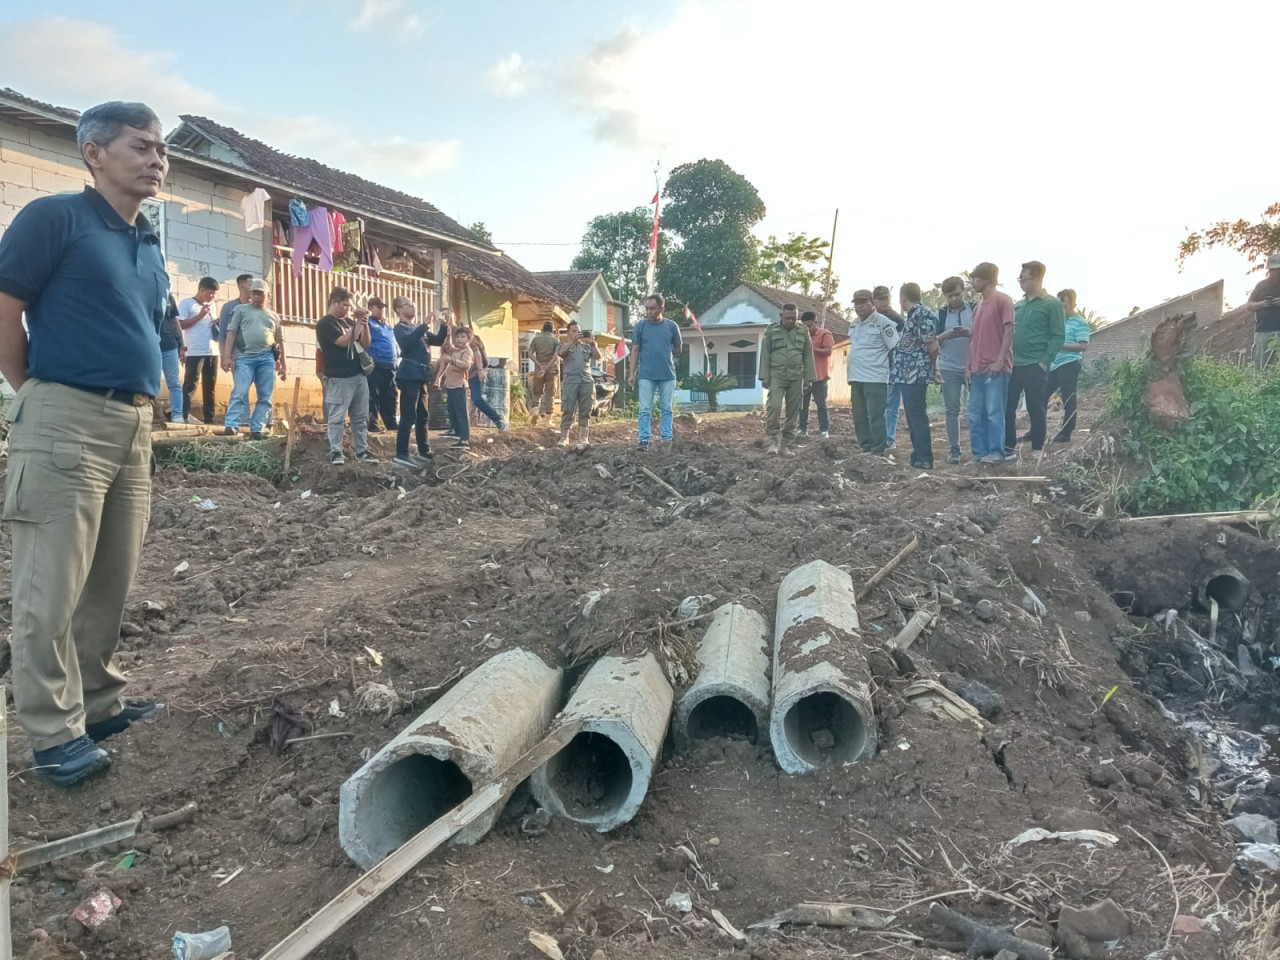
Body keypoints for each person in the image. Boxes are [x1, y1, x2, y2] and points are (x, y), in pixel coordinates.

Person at [0, 100, 169, 786]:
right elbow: (4, 309)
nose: (157, 158)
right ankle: (51, 733)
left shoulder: (148, 239)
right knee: (50, 585)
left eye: (162, 149)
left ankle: (98, 706)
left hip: (131, 427)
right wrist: (34, 391)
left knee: (110, 578)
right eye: (141, 145)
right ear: (94, 152)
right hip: (63, 418)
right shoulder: (55, 219)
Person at [1006, 261, 1065, 459]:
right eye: (1019, 277)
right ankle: (1008, 447)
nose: (1021, 281)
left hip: (1035, 364)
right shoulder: (1018, 305)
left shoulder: (1051, 304)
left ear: (1038, 278)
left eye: (1025, 277)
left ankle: (1038, 448)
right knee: (1008, 406)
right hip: (1014, 364)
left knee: (1035, 406)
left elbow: (1058, 335)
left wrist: (1045, 361)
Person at [316, 287, 377, 464]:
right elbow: (343, 342)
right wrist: (358, 322)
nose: (347, 308)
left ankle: (362, 450)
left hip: (359, 375)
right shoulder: (326, 323)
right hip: (339, 377)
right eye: (344, 304)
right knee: (337, 417)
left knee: (360, 417)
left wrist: (363, 324)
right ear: (334, 302)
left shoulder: (350, 322)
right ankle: (336, 451)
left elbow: (365, 344)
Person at [220, 279, 286, 439]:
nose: (256, 296)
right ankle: (231, 425)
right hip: (244, 357)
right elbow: (231, 333)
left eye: (260, 293)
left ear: (268, 296)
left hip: (266, 358)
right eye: (254, 293)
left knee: (265, 395)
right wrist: (226, 357)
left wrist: (283, 364)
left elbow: (280, 341)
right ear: (250, 294)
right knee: (240, 391)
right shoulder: (240, 310)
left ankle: (257, 429)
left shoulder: (273, 316)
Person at [965, 262, 1016, 464]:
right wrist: (968, 366)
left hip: (995, 369)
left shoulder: (1003, 301)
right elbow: (974, 339)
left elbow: (1009, 330)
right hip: (977, 369)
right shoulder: (977, 307)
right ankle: (979, 454)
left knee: (994, 412)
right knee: (975, 415)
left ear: (986, 279)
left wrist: (1000, 360)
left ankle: (996, 452)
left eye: (976, 278)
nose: (973, 282)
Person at [391, 297, 447, 467]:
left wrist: (445, 324)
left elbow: (437, 340)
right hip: (409, 375)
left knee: (423, 415)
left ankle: (424, 450)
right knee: (409, 415)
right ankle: (402, 452)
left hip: (421, 376)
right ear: (399, 310)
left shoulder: (417, 329)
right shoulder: (400, 328)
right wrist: (425, 324)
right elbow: (407, 343)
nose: (414, 308)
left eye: (414, 305)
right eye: (410, 305)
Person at [846, 289, 899, 455]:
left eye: (863, 302)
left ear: (871, 303)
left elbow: (894, 349)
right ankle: (866, 446)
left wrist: (893, 373)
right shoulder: (853, 324)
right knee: (859, 416)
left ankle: (878, 449)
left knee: (876, 415)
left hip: (875, 377)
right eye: (857, 303)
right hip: (855, 377)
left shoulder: (883, 322)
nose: (860, 306)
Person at [759, 303, 815, 456]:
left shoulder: (803, 331)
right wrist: (764, 376)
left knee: (794, 410)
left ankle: (785, 444)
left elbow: (808, 355)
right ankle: (773, 441)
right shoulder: (771, 330)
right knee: (774, 406)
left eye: (793, 318)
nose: (790, 321)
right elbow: (765, 353)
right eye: (787, 318)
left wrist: (809, 378)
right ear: (781, 316)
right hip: (777, 374)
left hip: (796, 375)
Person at [628, 293, 683, 449]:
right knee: (645, 408)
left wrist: (667, 352)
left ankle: (667, 439)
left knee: (666, 408)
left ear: (661, 308)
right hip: (646, 374)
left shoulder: (672, 327)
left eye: (652, 309)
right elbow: (635, 350)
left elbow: (679, 348)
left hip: (667, 374)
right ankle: (644, 440)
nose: (649, 312)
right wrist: (632, 373)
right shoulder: (640, 327)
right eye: (647, 309)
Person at [895, 283, 938, 469]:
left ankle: (925, 457)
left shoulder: (921, 314)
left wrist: (933, 367)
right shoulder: (915, 315)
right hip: (907, 375)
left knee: (917, 415)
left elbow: (933, 345)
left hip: (915, 374)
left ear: (903, 299)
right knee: (912, 415)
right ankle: (918, 454)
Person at [934, 277, 975, 464]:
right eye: (950, 296)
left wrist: (970, 332)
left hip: (972, 366)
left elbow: (984, 333)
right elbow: (933, 342)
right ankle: (954, 449)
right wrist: (947, 334)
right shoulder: (941, 315)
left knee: (976, 408)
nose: (954, 299)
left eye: (957, 294)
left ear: (963, 291)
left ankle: (978, 447)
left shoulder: (975, 309)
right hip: (948, 366)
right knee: (952, 409)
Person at [1046, 289, 1090, 443]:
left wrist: (1061, 345)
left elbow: (1082, 346)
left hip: (1070, 363)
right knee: (1040, 395)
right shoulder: (1056, 322)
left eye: (1064, 306)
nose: (1061, 310)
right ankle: (1035, 430)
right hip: (1054, 364)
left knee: (1068, 397)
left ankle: (1066, 433)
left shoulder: (1080, 323)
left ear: (1073, 304)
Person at [179, 275, 220, 424]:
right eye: (210, 293)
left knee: (210, 387)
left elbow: (212, 324)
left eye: (214, 294)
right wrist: (199, 316)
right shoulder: (186, 303)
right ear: (201, 290)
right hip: (194, 351)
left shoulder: (212, 305)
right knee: (190, 384)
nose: (212, 297)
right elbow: (181, 325)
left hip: (212, 351)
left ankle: (209, 418)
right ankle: (183, 415)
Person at [558, 321, 601, 446]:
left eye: (578, 331)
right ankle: (564, 437)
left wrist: (593, 343)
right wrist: (573, 342)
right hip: (570, 381)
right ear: (568, 333)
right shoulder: (564, 345)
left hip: (586, 381)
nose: (577, 333)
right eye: (574, 331)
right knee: (568, 409)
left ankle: (583, 437)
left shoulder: (587, 346)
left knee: (585, 410)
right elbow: (560, 353)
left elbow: (598, 356)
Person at [875, 285, 905, 449]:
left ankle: (889, 439)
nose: (883, 302)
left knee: (891, 406)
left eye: (885, 298)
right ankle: (876, 437)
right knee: (875, 405)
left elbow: (900, 346)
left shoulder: (898, 320)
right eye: (880, 299)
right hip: (874, 368)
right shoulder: (870, 319)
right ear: (874, 301)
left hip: (893, 368)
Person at [435, 326, 474, 449]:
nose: (459, 339)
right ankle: (457, 434)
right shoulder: (455, 350)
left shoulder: (467, 352)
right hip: (450, 385)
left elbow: (466, 365)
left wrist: (452, 360)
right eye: (457, 337)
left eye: (463, 337)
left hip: (459, 386)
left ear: (469, 338)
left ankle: (464, 440)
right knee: (452, 411)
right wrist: (448, 326)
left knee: (461, 414)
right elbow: (446, 346)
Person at [365, 297, 399, 432]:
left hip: (390, 366)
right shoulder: (368, 323)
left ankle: (391, 423)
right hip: (375, 365)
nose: (381, 310)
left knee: (390, 396)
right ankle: (372, 424)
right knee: (373, 396)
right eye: (378, 307)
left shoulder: (388, 326)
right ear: (371, 308)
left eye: (382, 308)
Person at [798, 310, 833, 438]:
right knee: (802, 405)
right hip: (804, 376)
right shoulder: (800, 335)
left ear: (816, 323)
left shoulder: (825, 334)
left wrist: (811, 349)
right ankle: (802, 429)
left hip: (820, 376)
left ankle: (824, 430)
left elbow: (828, 351)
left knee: (821, 404)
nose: (807, 329)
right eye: (804, 326)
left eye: (810, 326)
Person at [467, 329, 508, 432]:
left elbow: (477, 354)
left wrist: (480, 370)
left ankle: (498, 419)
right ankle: (456, 427)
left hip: (474, 374)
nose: (459, 338)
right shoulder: (454, 337)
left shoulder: (470, 340)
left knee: (477, 399)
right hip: (464, 376)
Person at [1245, 253, 1280, 370]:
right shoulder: (1261, 285)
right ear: (1269, 269)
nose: (1276, 272)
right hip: (1263, 331)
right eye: (1274, 269)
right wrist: (1261, 304)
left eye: (1278, 269)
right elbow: (1249, 305)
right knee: (1261, 367)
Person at [527, 321, 560, 427]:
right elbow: (555, 356)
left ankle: (535, 412)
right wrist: (547, 366)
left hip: (539, 370)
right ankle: (547, 421)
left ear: (542, 329)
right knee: (550, 394)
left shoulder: (536, 339)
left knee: (537, 392)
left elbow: (530, 354)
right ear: (552, 330)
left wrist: (540, 365)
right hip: (551, 370)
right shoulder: (555, 340)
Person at [159, 294, 186, 423]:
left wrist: (182, 343)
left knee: (174, 383)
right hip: (151, 346)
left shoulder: (168, 296)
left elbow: (175, 320)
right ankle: (151, 414)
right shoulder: (144, 290)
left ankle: (177, 415)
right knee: (150, 382)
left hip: (170, 346)